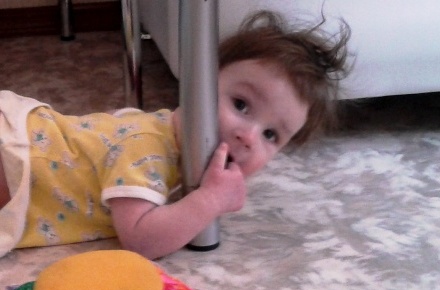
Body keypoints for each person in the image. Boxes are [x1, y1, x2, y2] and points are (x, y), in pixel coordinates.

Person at [0, 11, 350, 260]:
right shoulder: (148, 149)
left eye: (271, 135)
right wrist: (209, 201)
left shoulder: (162, 136)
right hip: (19, 154)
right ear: (198, 83)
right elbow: (141, 239)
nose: (248, 136)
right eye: (241, 105)